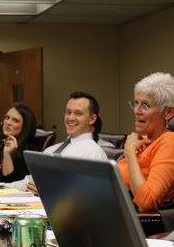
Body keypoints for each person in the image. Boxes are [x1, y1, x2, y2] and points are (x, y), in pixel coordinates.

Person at [26, 92, 107, 195]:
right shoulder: (50, 150)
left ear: (92, 119)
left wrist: (47, 191)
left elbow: (90, 196)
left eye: (78, 113)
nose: (70, 118)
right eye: (68, 112)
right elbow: (29, 181)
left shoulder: (94, 154)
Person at [118, 72, 174, 212]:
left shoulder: (169, 143)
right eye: (136, 103)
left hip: (137, 223)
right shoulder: (140, 141)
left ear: (168, 113)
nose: (136, 111)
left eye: (146, 106)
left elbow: (147, 202)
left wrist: (130, 153)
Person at [0, 104, 37, 183]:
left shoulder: (28, 150)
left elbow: (11, 182)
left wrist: (7, 154)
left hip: (4, 193)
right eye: (7, 117)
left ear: (25, 126)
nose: (8, 122)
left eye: (15, 120)